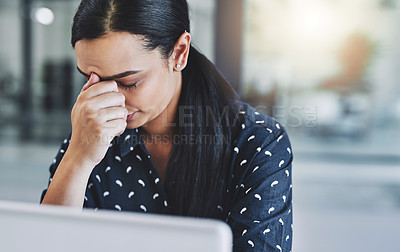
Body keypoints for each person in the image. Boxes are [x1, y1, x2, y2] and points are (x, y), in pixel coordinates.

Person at [40, 0, 293, 251]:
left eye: (128, 82)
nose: (110, 100)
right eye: (91, 80)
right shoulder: (92, 132)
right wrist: (78, 157)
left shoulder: (257, 142)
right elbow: (45, 243)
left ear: (179, 52)